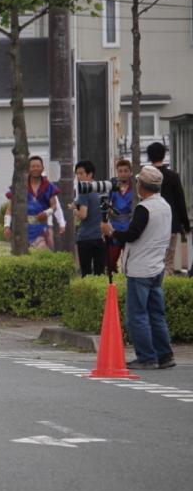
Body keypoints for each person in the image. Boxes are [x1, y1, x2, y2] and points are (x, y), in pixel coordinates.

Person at [101, 165, 174, 370]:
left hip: (140, 268)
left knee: (137, 315)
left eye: (138, 182)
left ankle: (147, 357)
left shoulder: (145, 208)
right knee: (156, 313)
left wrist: (111, 231)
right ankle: (165, 355)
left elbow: (132, 234)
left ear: (142, 185)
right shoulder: (165, 205)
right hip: (156, 266)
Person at [146, 141, 190, 275]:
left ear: (149, 156)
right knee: (168, 259)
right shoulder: (173, 176)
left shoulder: (146, 176)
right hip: (171, 223)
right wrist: (186, 225)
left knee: (154, 259)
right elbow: (180, 202)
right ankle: (166, 289)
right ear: (164, 156)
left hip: (151, 224)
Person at [3, 155, 60, 249]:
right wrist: (6, 226)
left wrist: (46, 213)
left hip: (41, 229)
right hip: (21, 229)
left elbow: (54, 206)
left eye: (38, 166)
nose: (35, 168)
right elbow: (10, 209)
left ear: (42, 168)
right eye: (33, 166)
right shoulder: (19, 186)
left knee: (43, 252)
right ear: (28, 168)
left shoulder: (49, 186)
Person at [70, 160, 106, 277]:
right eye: (77, 174)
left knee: (86, 274)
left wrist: (74, 211)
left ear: (90, 174)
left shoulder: (84, 191)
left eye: (81, 173)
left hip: (85, 237)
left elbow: (83, 215)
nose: (78, 177)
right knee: (99, 273)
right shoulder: (99, 189)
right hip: (99, 236)